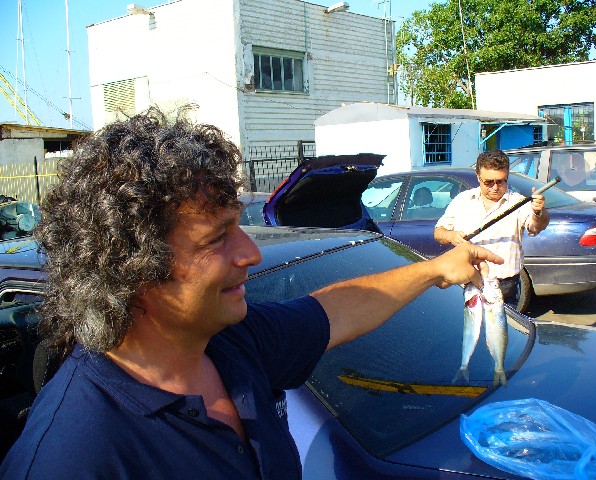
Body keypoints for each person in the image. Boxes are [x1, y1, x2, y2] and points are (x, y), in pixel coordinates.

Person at [0, 107, 502, 479]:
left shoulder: (231, 342)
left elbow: (334, 310)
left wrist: (435, 270)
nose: (251, 252)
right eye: (216, 238)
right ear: (132, 269)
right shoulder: (72, 455)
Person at [434, 149, 549, 308]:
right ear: (478, 177)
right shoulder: (462, 200)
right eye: (488, 182)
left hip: (505, 286)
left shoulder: (518, 202)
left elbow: (536, 227)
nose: (495, 187)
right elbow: (438, 232)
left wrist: (539, 212)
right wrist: (451, 236)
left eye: (501, 181)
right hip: (465, 283)